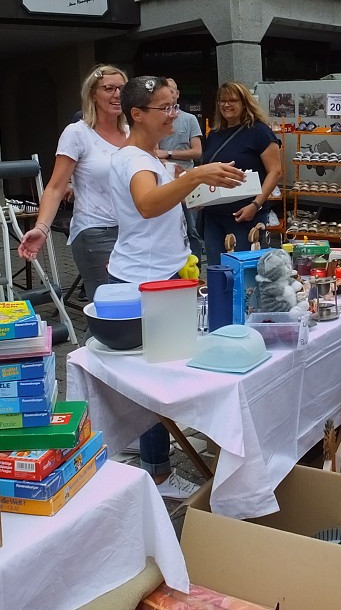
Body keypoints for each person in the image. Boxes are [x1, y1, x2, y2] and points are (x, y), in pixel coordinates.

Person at [108, 75, 245, 499]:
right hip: (145, 278)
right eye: (165, 108)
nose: (175, 115)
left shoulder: (151, 156)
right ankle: (158, 471)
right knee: (157, 377)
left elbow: (165, 202)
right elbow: (148, 205)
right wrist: (196, 175)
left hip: (163, 270)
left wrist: (198, 182)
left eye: (175, 104)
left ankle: (158, 452)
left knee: (167, 368)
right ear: (136, 115)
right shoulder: (134, 160)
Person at [18, 65, 127, 302]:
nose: (117, 94)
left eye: (122, 88)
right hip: (96, 232)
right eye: (109, 88)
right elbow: (56, 187)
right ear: (92, 94)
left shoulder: (132, 134)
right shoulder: (78, 133)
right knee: (110, 309)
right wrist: (42, 228)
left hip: (133, 231)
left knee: (134, 310)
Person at [200, 82, 282, 265]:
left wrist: (256, 205)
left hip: (245, 215)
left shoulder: (260, 132)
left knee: (242, 272)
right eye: (222, 101)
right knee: (216, 269)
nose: (226, 105)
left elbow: (275, 171)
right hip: (214, 216)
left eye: (232, 100)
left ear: (244, 103)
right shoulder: (214, 134)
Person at [157, 78, 205, 261]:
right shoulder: (156, 120)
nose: (171, 94)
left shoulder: (189, 119)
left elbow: (197, 152)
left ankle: (195, 268)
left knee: (192, 229)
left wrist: (167, 153)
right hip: (163, 182)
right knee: (169, 227)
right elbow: (153, 152)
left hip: (187, 180)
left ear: (178, 94)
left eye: (173, 91)